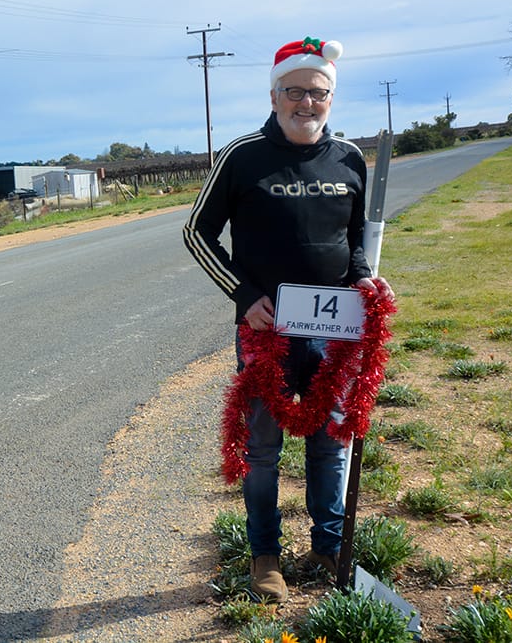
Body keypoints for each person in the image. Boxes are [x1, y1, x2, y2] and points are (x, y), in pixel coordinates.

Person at [182, 36, 395, 602]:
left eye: (318, 93)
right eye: (295, 92)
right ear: (275, 96)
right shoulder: (243, 156)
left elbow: (354, 244)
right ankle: (265, 558)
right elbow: (196, 234)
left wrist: (365, 280)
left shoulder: (348, 158)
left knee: (332, 443)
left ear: (331, 97)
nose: (307, 103)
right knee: (263, 449)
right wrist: (243, 295)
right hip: (266, 331)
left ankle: (328, 547)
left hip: (338, 332)